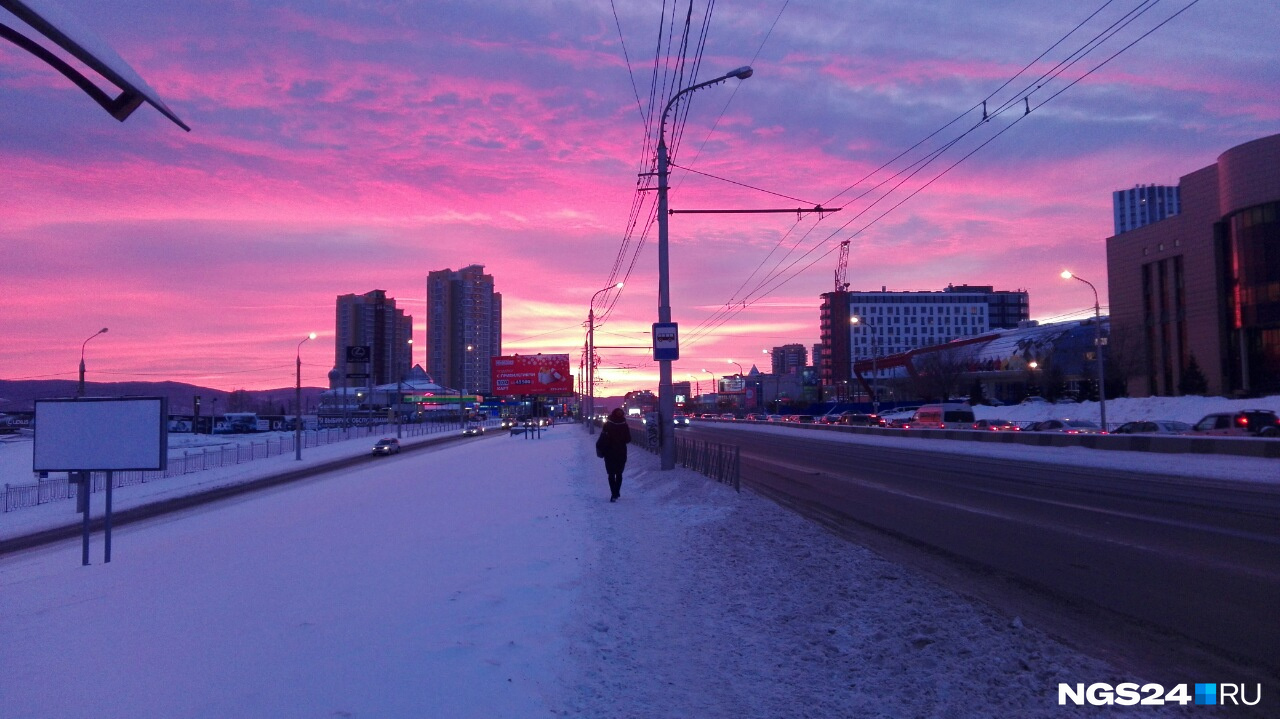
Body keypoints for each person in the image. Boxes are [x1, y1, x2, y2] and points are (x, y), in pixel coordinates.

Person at [596, 408, 632, 502]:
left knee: (611, 474)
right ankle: (617, 491)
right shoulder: (624, 425)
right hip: (621, 452)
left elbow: (602, 437)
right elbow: (628, 439)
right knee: (619, 473)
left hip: (609, 452)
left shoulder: (607, 425)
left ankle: (613, 493)